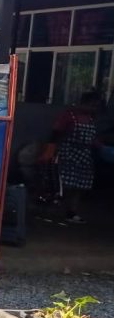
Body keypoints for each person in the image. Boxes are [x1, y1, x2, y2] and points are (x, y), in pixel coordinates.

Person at [52, 90, 102, 223]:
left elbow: (93, 138)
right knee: (66, 184)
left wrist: (102, 147)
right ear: (84, 103)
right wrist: (53, 149)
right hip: (68, 153)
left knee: (78, 186)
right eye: (92, 105)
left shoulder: (91, 119)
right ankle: (62, 208)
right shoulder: (69, 116)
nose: (94, 109)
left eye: (96, 106)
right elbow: (56, 132)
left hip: (84, 156)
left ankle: (72, 212)